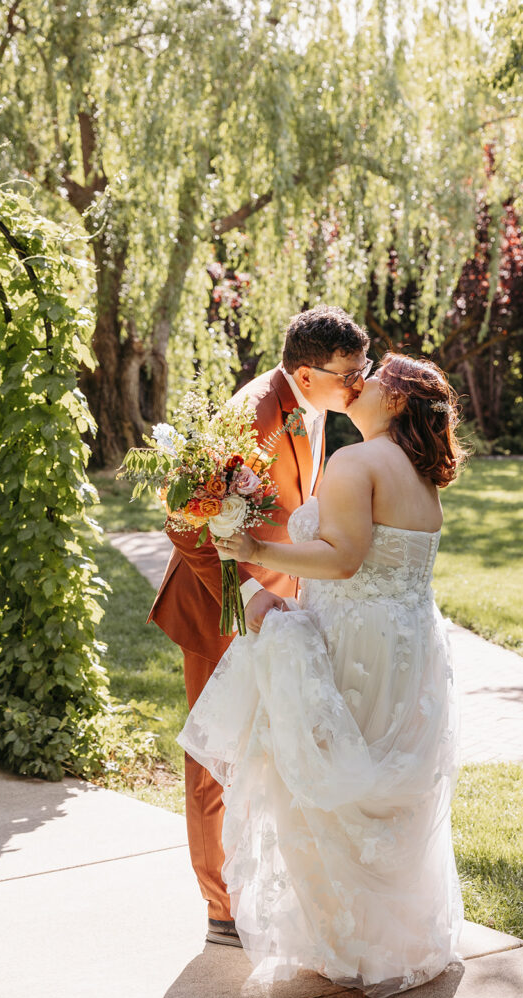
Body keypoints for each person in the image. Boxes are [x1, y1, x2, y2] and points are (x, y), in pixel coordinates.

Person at [177, 352, 468, 998]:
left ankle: (346, 945)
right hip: (407, 647)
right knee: (382, 795)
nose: (361, 379)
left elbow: (340, 560)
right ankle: (391, 940)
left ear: (396, 402)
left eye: (378, 375)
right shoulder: (417, 474)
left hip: (353, 646)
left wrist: (253, 549)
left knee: (327, 786)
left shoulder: (356, 461)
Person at [147, 306, 372, 946]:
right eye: (350, 372)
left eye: (362, 370)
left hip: (276, 603)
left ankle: (260, 886)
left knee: (262, 753)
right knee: (217, 757)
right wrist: (246, 592)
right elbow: (184, 517)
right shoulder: (253, 414)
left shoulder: (316, 406)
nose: (359, 382)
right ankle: (220, 906)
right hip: (221, 608)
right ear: (307, 371)